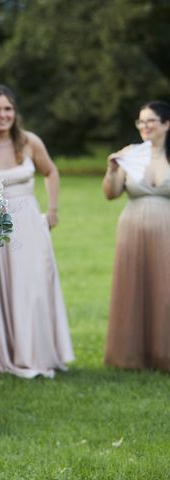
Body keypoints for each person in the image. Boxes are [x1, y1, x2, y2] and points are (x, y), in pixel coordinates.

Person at [0, 84, 73, 378]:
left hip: (27, 225)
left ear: (15, 112)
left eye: (8, 109)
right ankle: (3, 352)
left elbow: (50, 171)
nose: (3, 115)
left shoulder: (29, 142)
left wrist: (52, 210)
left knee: (31, 288)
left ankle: (33, 352)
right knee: (2, 289)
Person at [103, 100, 170, 371]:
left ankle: (164, 354)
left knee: (165, 292)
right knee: (133, 291)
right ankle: (130, 356)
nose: (144, 126)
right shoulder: (130, 154)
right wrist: (112, 169)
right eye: (140, 122)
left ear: (166, 124)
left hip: (166, 231)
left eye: (150, 121)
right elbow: (111, 193)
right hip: (132, 229)